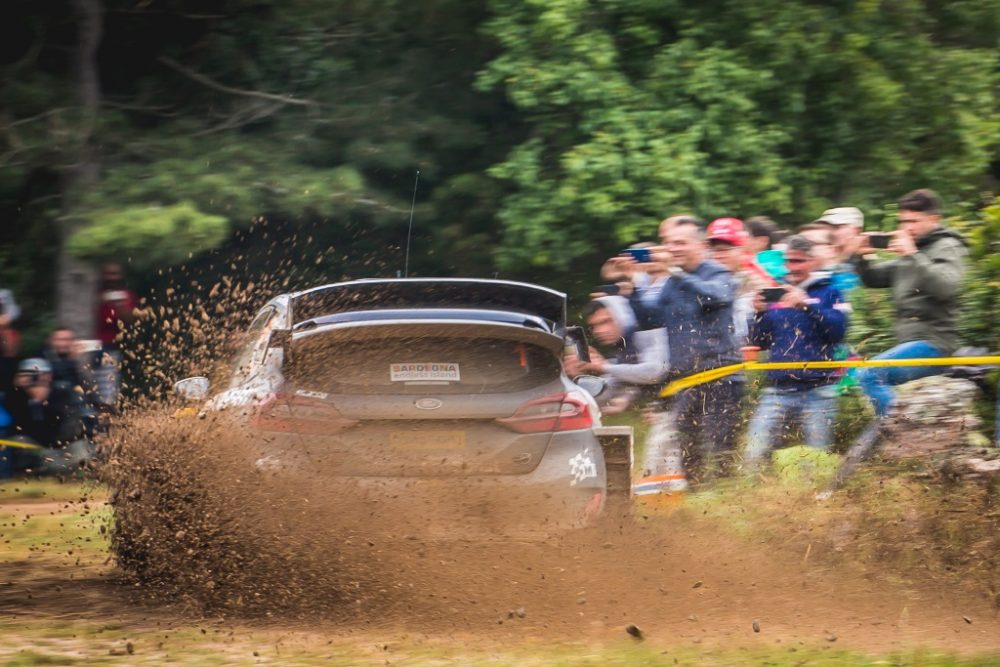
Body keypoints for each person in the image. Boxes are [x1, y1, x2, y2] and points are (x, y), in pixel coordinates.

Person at [827, 189, 968, 489]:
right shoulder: (911, 249)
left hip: (936, 343)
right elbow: (874, 278)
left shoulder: (947, 246)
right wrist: (861, 256)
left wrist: (912, 254)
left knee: (871, 372)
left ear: (934, 219)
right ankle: (897, 431)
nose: (907, 228)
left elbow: (948, 286)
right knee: (866, 374)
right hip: (911, 344)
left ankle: (905, 435)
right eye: (903, 221)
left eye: (914, 221)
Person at [631, 218, 743, 483]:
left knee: (719, 452)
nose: (673, 248)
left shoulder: (719, 273)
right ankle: (698, 509)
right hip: (686, 380)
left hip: (721, 378)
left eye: (680, 242)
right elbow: (649, 319)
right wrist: (632, 285)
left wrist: (677, 273)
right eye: (669, 243)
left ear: (700, 245)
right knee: (689, 454)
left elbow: (714, 297)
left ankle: (730, 504)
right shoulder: (672, 283)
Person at [742, 235, 849, 472]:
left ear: (812, 261)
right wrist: (758, 313)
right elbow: (758, 342)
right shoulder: (776, 292)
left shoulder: (831, 291)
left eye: (799, 261)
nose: (793, 267)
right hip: (778, 389)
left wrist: (807, 306)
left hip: (819, 389)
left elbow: (838, 332)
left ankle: (817, 503)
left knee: (816, 459)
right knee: (753, 454)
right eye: (789, 261)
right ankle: (755, 499)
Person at [565, 296, 669, 414]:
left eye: (605, 322)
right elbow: (615, 385)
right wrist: (581, 376)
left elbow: (656, 372)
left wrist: (604, 367)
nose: (598, 331)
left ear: (622, 316)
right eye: (594, 326)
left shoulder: (648, 331)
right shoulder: (623, 344)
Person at [705, 217, 775, 346]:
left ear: (742, 250)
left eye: (724, 250)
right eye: (712, 250)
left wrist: (761, 312)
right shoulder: (699, 282)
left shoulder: (759, 284)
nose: (717, 255)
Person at [95, 264, 137, 408]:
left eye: (115, 274)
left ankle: (105, 419)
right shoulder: (92, 293)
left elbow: (131, 321)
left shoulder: (126, 295)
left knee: (107, 390)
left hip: (110, 346)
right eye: (108, 273)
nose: (111, 277)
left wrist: (117, 304)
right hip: (88, 345)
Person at [813, 207, 864, 292]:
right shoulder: (816, 258)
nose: (830, 232)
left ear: (856, 230)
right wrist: (846, 255)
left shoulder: (867, 259)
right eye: (825, 227)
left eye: (836, 227)